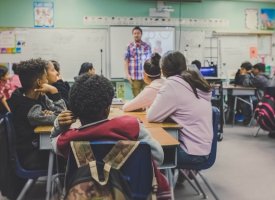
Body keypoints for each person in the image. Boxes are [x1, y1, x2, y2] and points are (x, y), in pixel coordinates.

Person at [51, 74, 163, 166]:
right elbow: (158, 157)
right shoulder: (132, 127)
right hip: (130, 190)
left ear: (74, 112)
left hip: (87, 191)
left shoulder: (67, 139)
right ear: (108, 109)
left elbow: (53, 141)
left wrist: (59, 126)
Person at [147, 51, 213, 167]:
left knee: (143, 152)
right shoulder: (191, 80)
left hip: (191, 154)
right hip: (204, 149)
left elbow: (151, 116)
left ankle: (161, 184)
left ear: (163, 69)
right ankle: (176, 177)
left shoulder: (172, 84)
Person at [8, 58, 66, 170]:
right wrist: (54, 91)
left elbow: (58, 113)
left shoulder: (38, 96)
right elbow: (63, 117)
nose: (48, 82)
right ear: (39, 82)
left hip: (37, 148)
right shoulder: (30, 110)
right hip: (31, 156)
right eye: (45, 78)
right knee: (70, 155)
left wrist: (50, 114)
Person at [124, 26, 152, 97]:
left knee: (147, 97)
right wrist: (127, 75)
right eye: (135, 33)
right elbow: (126, 60)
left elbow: (150, 61)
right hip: (134, 77)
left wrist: (150, 75)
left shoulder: (147, 46)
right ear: (133, 35)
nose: (136, 35)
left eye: (138, 33)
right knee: (136, 98)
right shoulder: (129, 46)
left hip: (146, 76)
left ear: (141, 34)